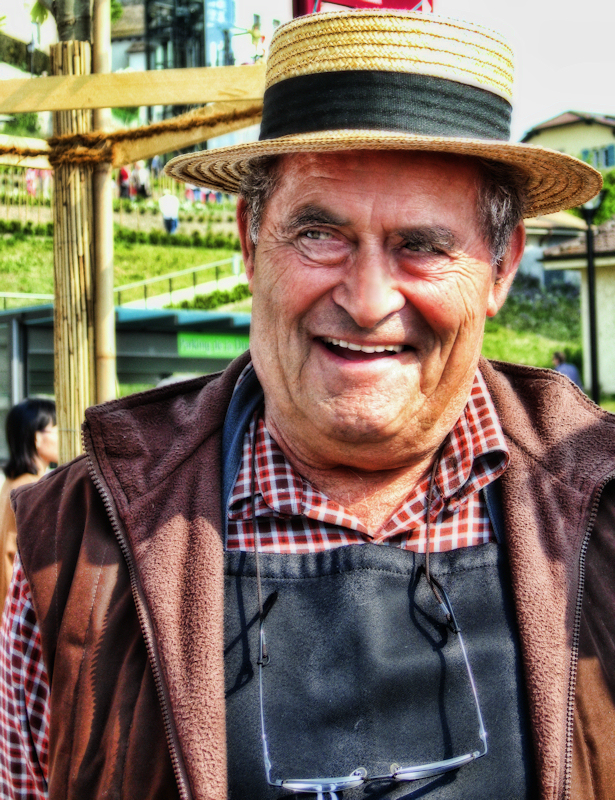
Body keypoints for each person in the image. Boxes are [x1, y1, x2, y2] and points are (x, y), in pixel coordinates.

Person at [1, 10, 612, 800]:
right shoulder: (78, 552)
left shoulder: (600, 519)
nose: (365, 301)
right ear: (250, 241)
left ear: (501, 268)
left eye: (421, 245)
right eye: (319, 233)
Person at [0, 398, 57, 604]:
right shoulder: (33, 488)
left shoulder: (13, 480)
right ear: (36, 438)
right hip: (18, 603)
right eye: (57, 428)